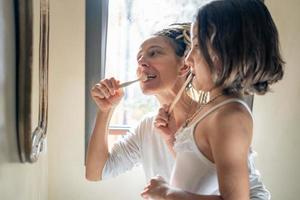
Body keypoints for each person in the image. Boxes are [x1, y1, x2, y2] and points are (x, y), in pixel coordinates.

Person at [85, 23, 271, 199]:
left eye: (154, 53)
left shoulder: (215, 118)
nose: (141, 61)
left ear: (184, 65)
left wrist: (167, 195)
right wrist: (106, 110)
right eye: (139, 57)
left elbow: (253, 196)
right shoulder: (148, 127)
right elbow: (96, 171)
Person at [140, 1, 284, 200]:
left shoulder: (230, 116)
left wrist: (167, 193)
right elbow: (201, 169)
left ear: (226, 51)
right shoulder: (212, 105)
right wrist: (171, 138)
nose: (188, 59)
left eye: (197, 46)